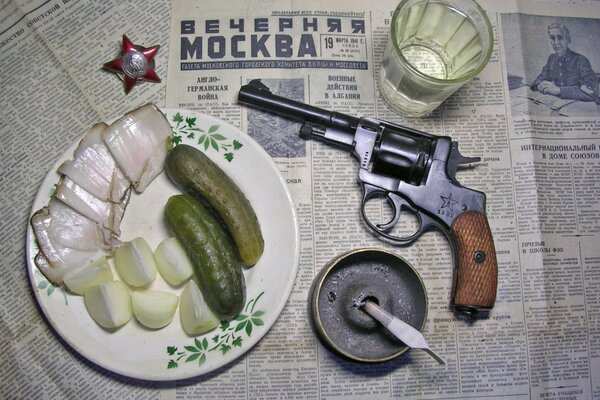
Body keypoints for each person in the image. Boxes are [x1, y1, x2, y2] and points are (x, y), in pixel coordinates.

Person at [531, 22, 598, 102]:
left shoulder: (581, 60)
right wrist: (540, 85)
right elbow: (538, 80)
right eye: (552, 38)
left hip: (577, 107)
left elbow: (592, 93)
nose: (556, 42)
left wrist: (558, 90)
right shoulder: (552, 59)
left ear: (568, 40)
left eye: (560, 38)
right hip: (557, 103)